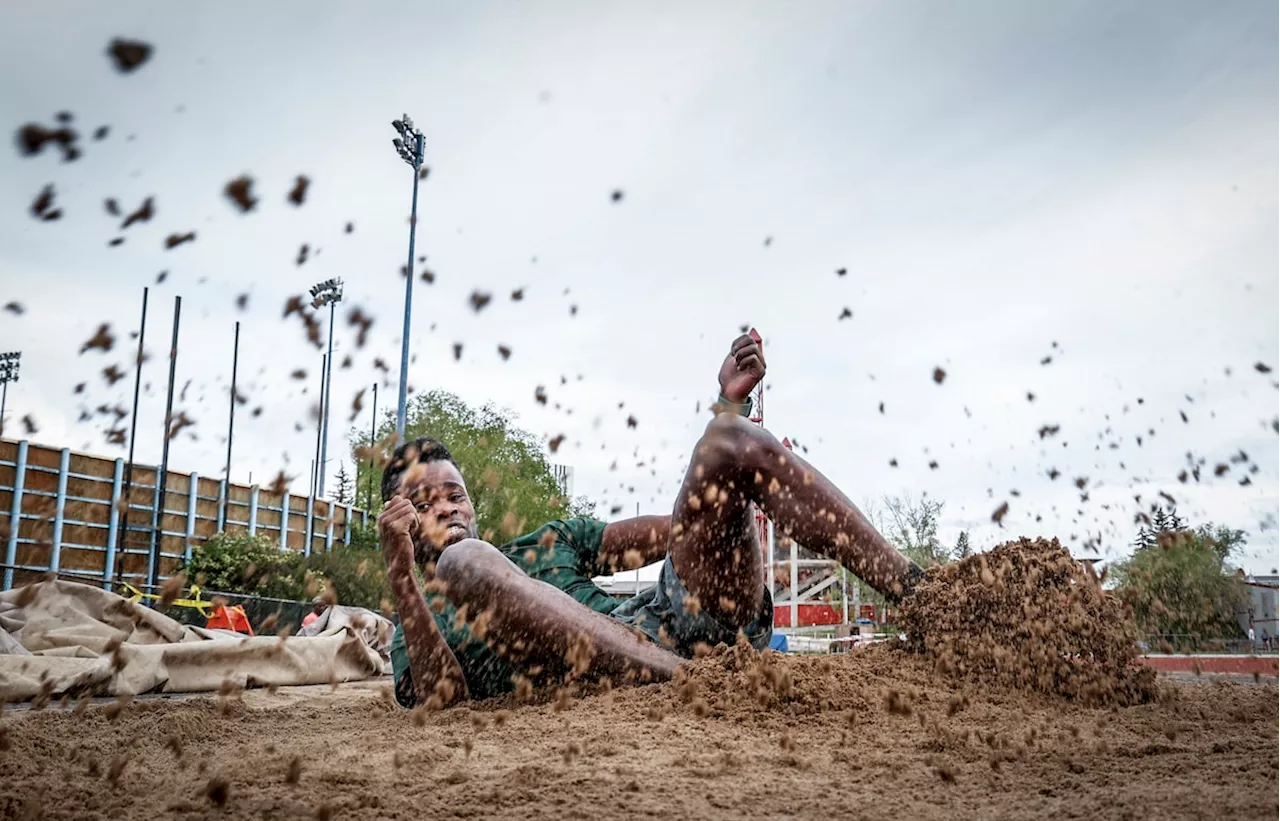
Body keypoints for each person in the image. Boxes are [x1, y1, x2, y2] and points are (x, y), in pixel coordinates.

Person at [382, 330, 924, 709]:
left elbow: (683, 528)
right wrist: (404, 577)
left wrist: (725, 412)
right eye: (425, 502)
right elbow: (441, 699)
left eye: (456, 493)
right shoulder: (418, 616)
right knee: (463, 564)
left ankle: (923, 595)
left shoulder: (548, 542)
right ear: (399, 521)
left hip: (677, 623)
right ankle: (687, 680)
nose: (448, 506)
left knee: (724, 443)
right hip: (635, 678)